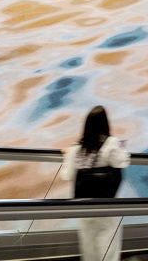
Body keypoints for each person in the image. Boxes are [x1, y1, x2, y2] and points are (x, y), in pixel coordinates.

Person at [62, 106, 130, 261]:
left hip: (84, 205)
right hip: (107, 205)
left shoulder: (76, 148)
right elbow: (122, 162)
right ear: (105, 123)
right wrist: (123, 149)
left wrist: (67, 156)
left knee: (89, 249)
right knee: (108, 249)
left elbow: (67, 175)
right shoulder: (111, 143)